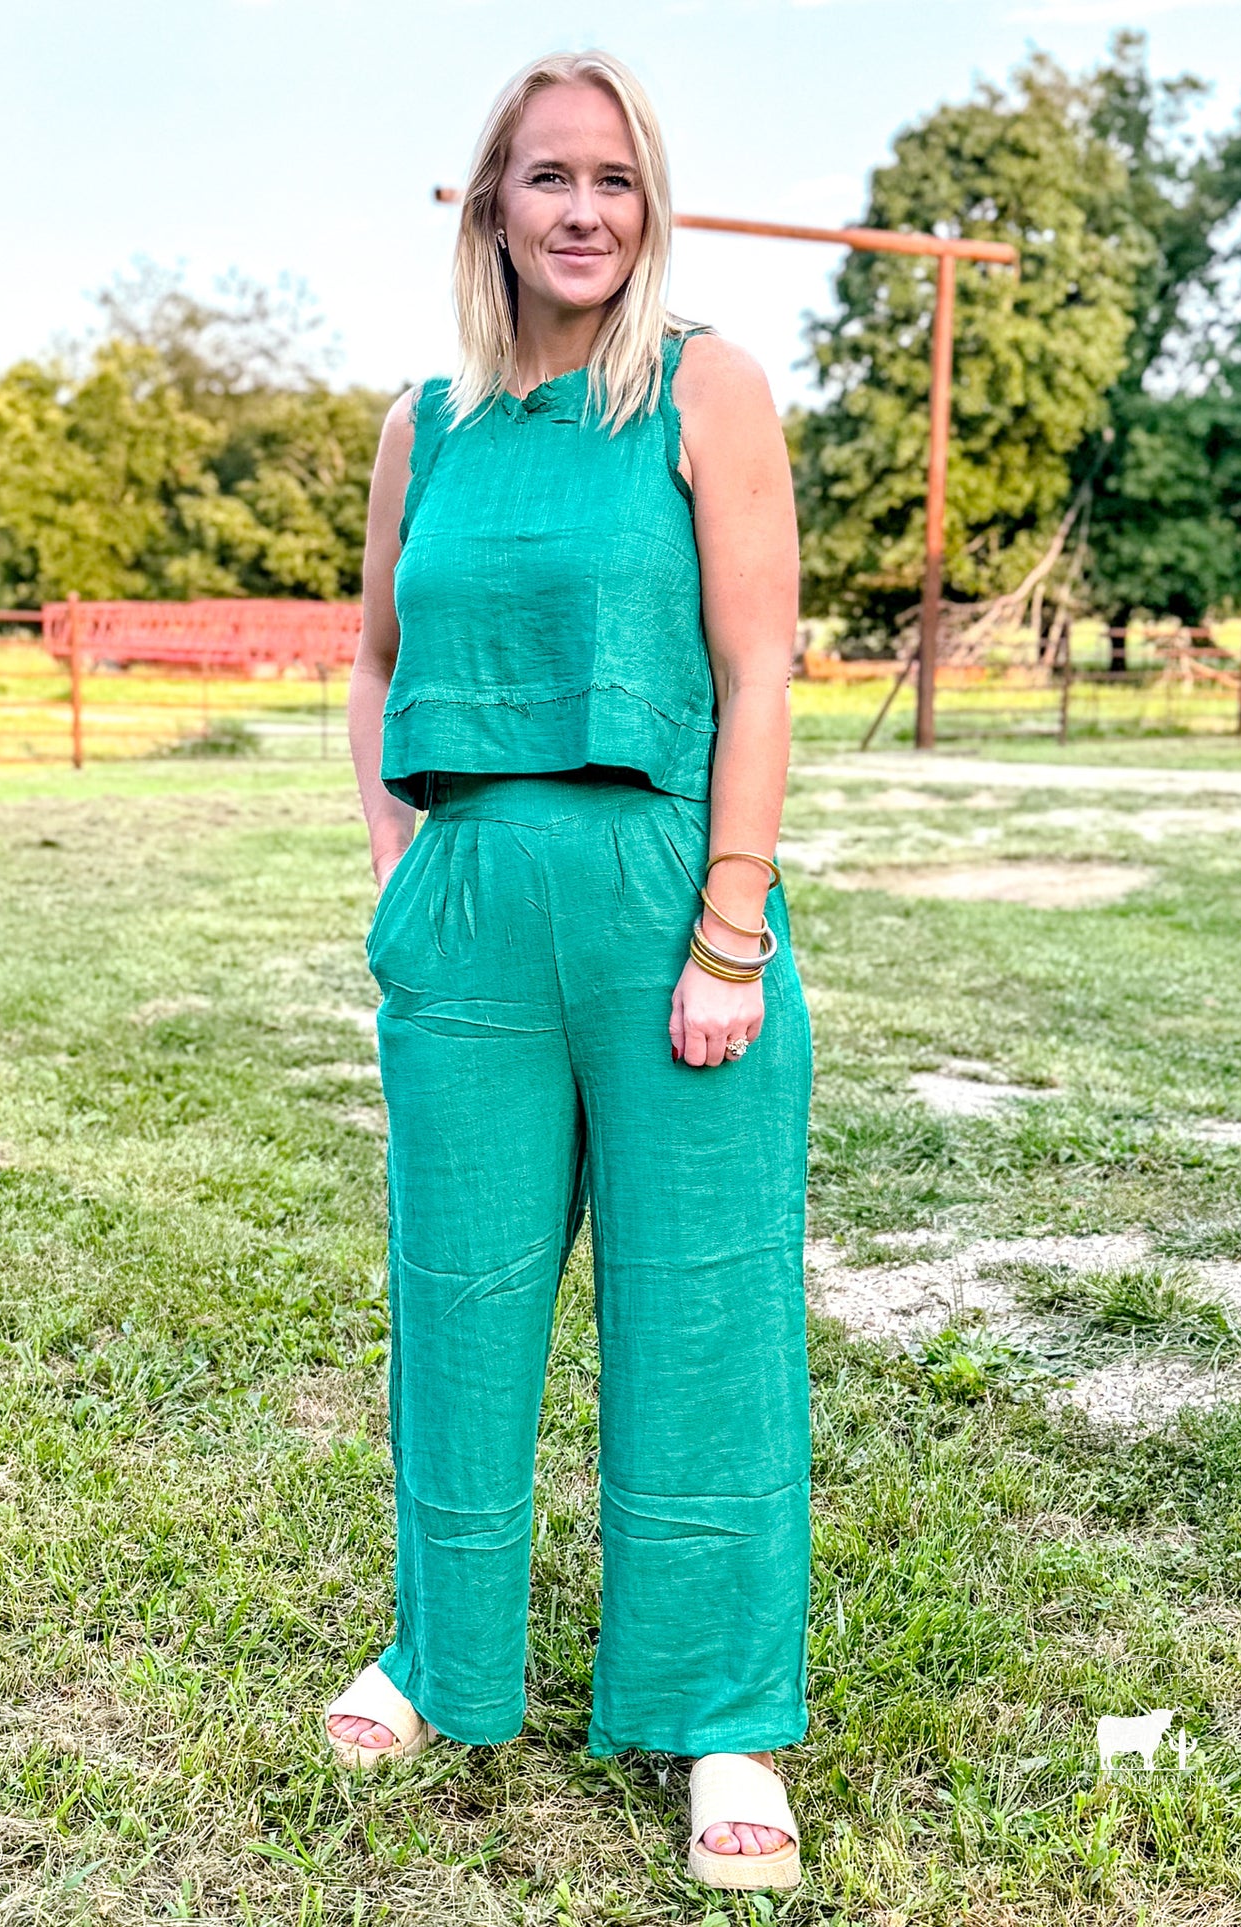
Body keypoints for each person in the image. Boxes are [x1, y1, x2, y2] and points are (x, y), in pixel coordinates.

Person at [332, 49, 812, 1893]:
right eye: (549, 178)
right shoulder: (424, 427)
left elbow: (761, 669)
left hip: (663, 889)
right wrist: (399, 874)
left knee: (700, 1317)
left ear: (649, 201)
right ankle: (443, 1658)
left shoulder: (708, 389)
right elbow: (375, 664)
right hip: (466, 904)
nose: (586, 209)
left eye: (615, 178)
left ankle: (719, 1723)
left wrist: (732, 928)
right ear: (490, 206)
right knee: (457, 1298)